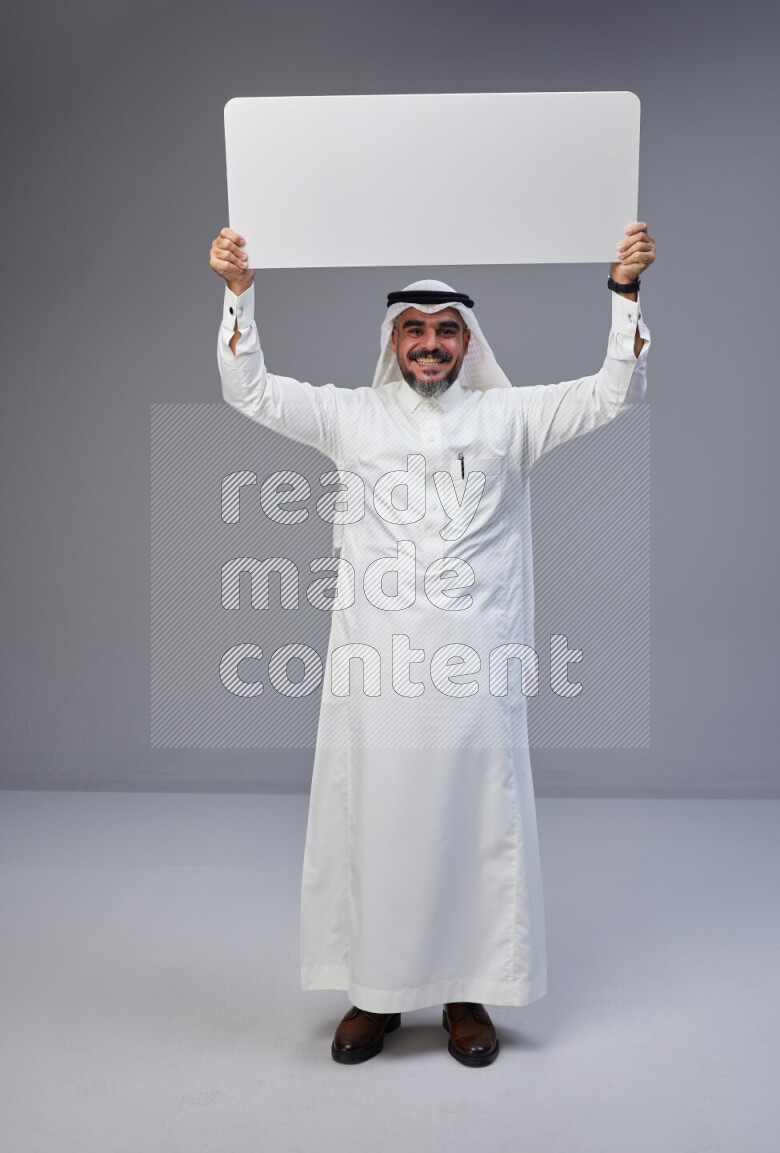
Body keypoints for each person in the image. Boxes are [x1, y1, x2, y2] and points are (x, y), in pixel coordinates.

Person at [209, 222, 656, 1066]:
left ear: (467, 341)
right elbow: (252, 391)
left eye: (446, 330)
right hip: (377, 670)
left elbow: (611, 392)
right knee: (376, 825)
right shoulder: (352, 415)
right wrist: (239, 289)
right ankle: (373, 996)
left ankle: (465, 993)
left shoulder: (508, 416)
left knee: (472, 827)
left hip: (472, 670)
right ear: (393, 339)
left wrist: (623, 291)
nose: (430, 344)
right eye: (414, 329)